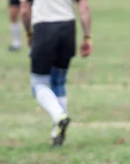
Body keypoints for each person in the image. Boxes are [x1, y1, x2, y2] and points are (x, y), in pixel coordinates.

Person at [20, 0, 93, 146]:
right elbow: (84, 6)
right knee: (58, 81)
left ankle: (59, 116)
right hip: (67, 29)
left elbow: (24, 10)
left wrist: (29, 33)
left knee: (38, 84)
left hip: (43, 28)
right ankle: (58, 134)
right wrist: (87, 37)